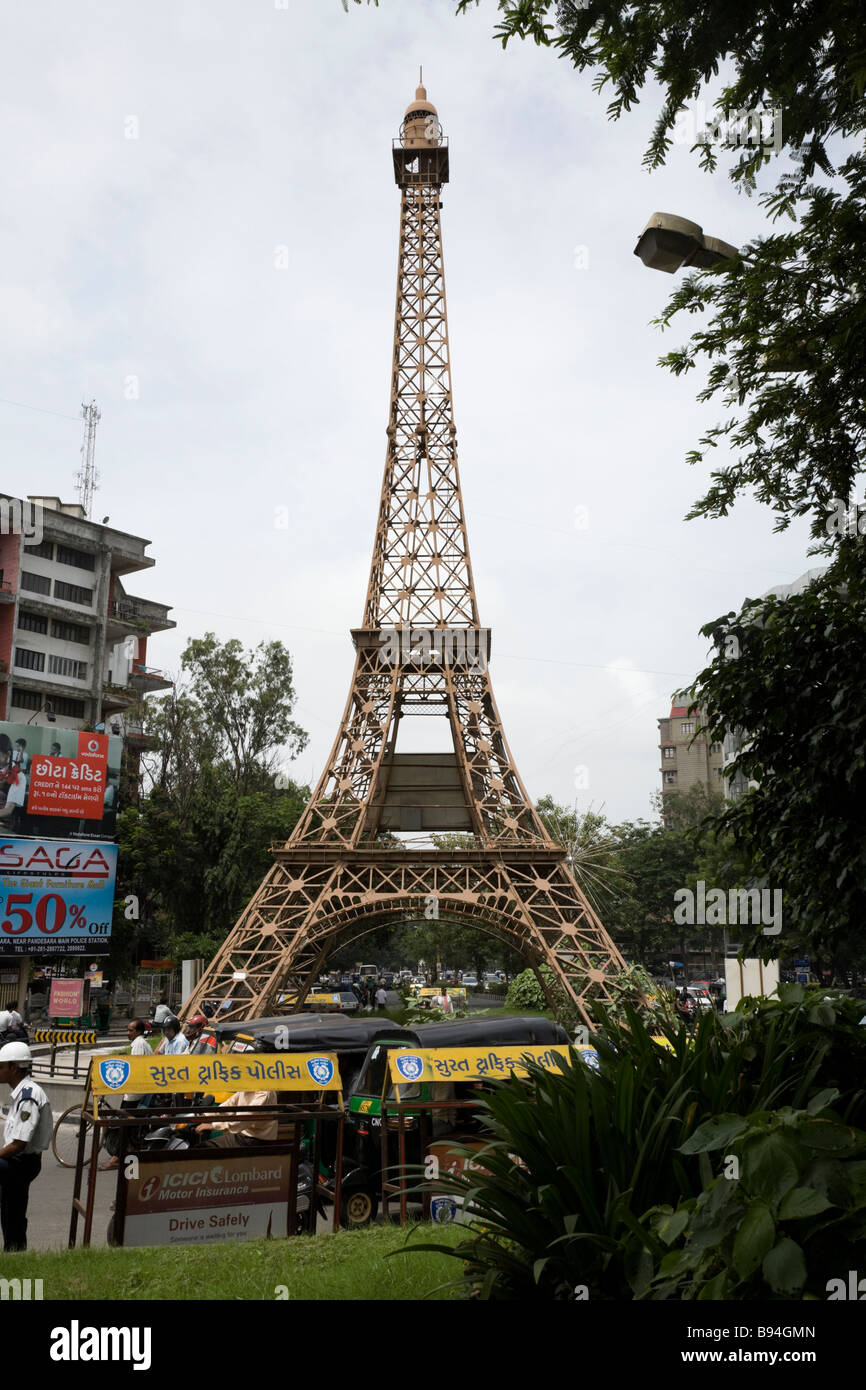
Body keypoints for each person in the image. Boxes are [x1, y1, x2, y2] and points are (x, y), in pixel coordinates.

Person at [0, 1041, 52, 1250]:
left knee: (12, 1211)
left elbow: (18, 1145)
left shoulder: (28, 1097)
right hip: (18, 1161)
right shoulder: (22, 1093)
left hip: (21, 1163)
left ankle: (15, 1248)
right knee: (12, 1210)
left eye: (1, 1067)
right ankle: (15, 1250)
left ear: (13, 1068)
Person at [101, 1020, 153, 1170]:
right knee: (128, 1124)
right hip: (135, 1091)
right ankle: (127, 1153)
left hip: (135, 1093)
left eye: (131, 1030)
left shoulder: (139, 1044)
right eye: (128, 1030)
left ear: (138, 1032)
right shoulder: (139, 1043)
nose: (128, 1033)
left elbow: (135, 1067)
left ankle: (117, 1158)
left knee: (125, 1125)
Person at [194, 1090, 279, 1148]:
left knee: (205, 1147)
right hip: (243, 1136)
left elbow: (245, 1118)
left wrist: (213, 1126)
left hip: (256, 1139)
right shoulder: (246, 1089)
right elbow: (229, 1105)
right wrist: (204, 1115)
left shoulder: (263, 1093)